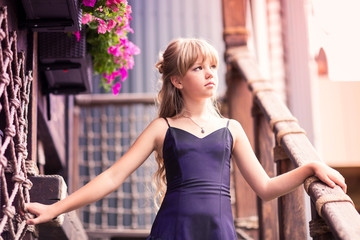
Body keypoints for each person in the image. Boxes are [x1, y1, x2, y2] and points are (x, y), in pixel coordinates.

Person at [26, 38, 346, 239]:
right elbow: (112, 177)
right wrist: (56, 209)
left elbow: (265, 188)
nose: (209, 74)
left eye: (212, 66)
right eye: (198, 68)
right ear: (177, 80)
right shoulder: (162, 128)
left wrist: (310, 167)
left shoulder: (231, 129)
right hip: (173, 230)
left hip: (219, 232)